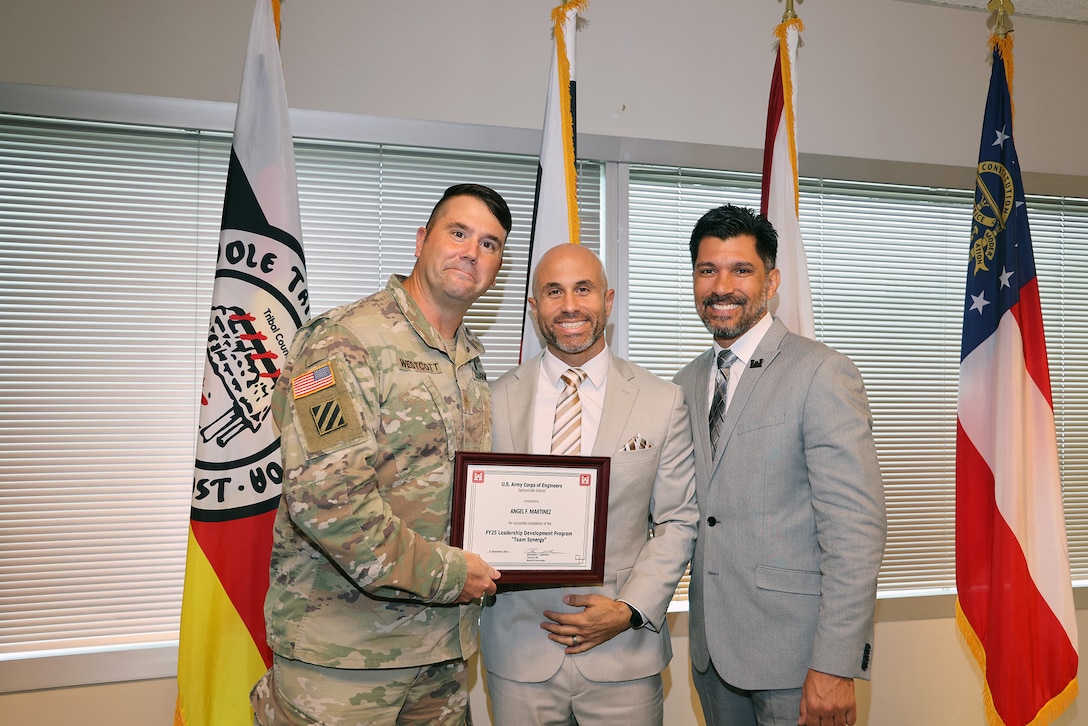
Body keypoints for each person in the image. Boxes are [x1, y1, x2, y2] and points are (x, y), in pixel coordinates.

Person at [250, 183, 511, 725]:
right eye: (458, 233)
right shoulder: (343, 341)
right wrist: (449, 574)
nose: (471, 251)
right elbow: (330, 503)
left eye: (490, 244)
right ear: (422, 240)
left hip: (439, 654)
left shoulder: (468, 362)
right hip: (344, 659)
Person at [672, 204, 887, 726]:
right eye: (708, 270)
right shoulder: (682, 384)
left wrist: (835, 665)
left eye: (740, 270)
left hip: (798, 661)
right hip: (713, 657)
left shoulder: (822, 373)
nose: (722, 286)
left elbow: (855, 529)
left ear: (771, 281)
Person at [480, 243, 699, 725]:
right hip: (519, 650)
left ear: (608, 299)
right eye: (554, 292)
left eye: (584, 289)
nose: (570, 305)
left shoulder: (662, 401)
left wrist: (627, 608)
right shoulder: (490, 399)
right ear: (535, 307)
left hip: (624, 653)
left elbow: (678, 520)